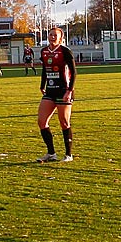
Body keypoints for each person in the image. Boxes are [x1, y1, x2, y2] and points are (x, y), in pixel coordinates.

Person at [36, 26, 77, 162]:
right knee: (42, 121)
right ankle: (51, 153)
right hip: (50, 91)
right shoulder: (44, 51)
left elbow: (74, 72)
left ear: (61, 38)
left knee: (64, 122)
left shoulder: (65, 51)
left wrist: (69, 91)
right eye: (50, 34)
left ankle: (68, 154)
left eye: (55, 35)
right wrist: (42, 85)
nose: (52, 37)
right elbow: (44, 69)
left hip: (64, 90)